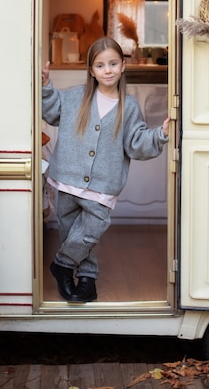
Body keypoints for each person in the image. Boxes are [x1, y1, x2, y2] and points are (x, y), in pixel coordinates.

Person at [42, 36, 171, 303]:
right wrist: (45, 85)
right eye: (100, 65)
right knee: (71, 233)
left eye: (113, 63)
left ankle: (62, 265)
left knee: (89, 232)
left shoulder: (129, 106)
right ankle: (86, 280)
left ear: (123, 66)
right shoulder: (75, 97)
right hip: (66, 178)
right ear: (91, 70)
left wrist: (160, 134)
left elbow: (137, 144)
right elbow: (51, 110)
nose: (108, 70)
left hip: (102, 185)